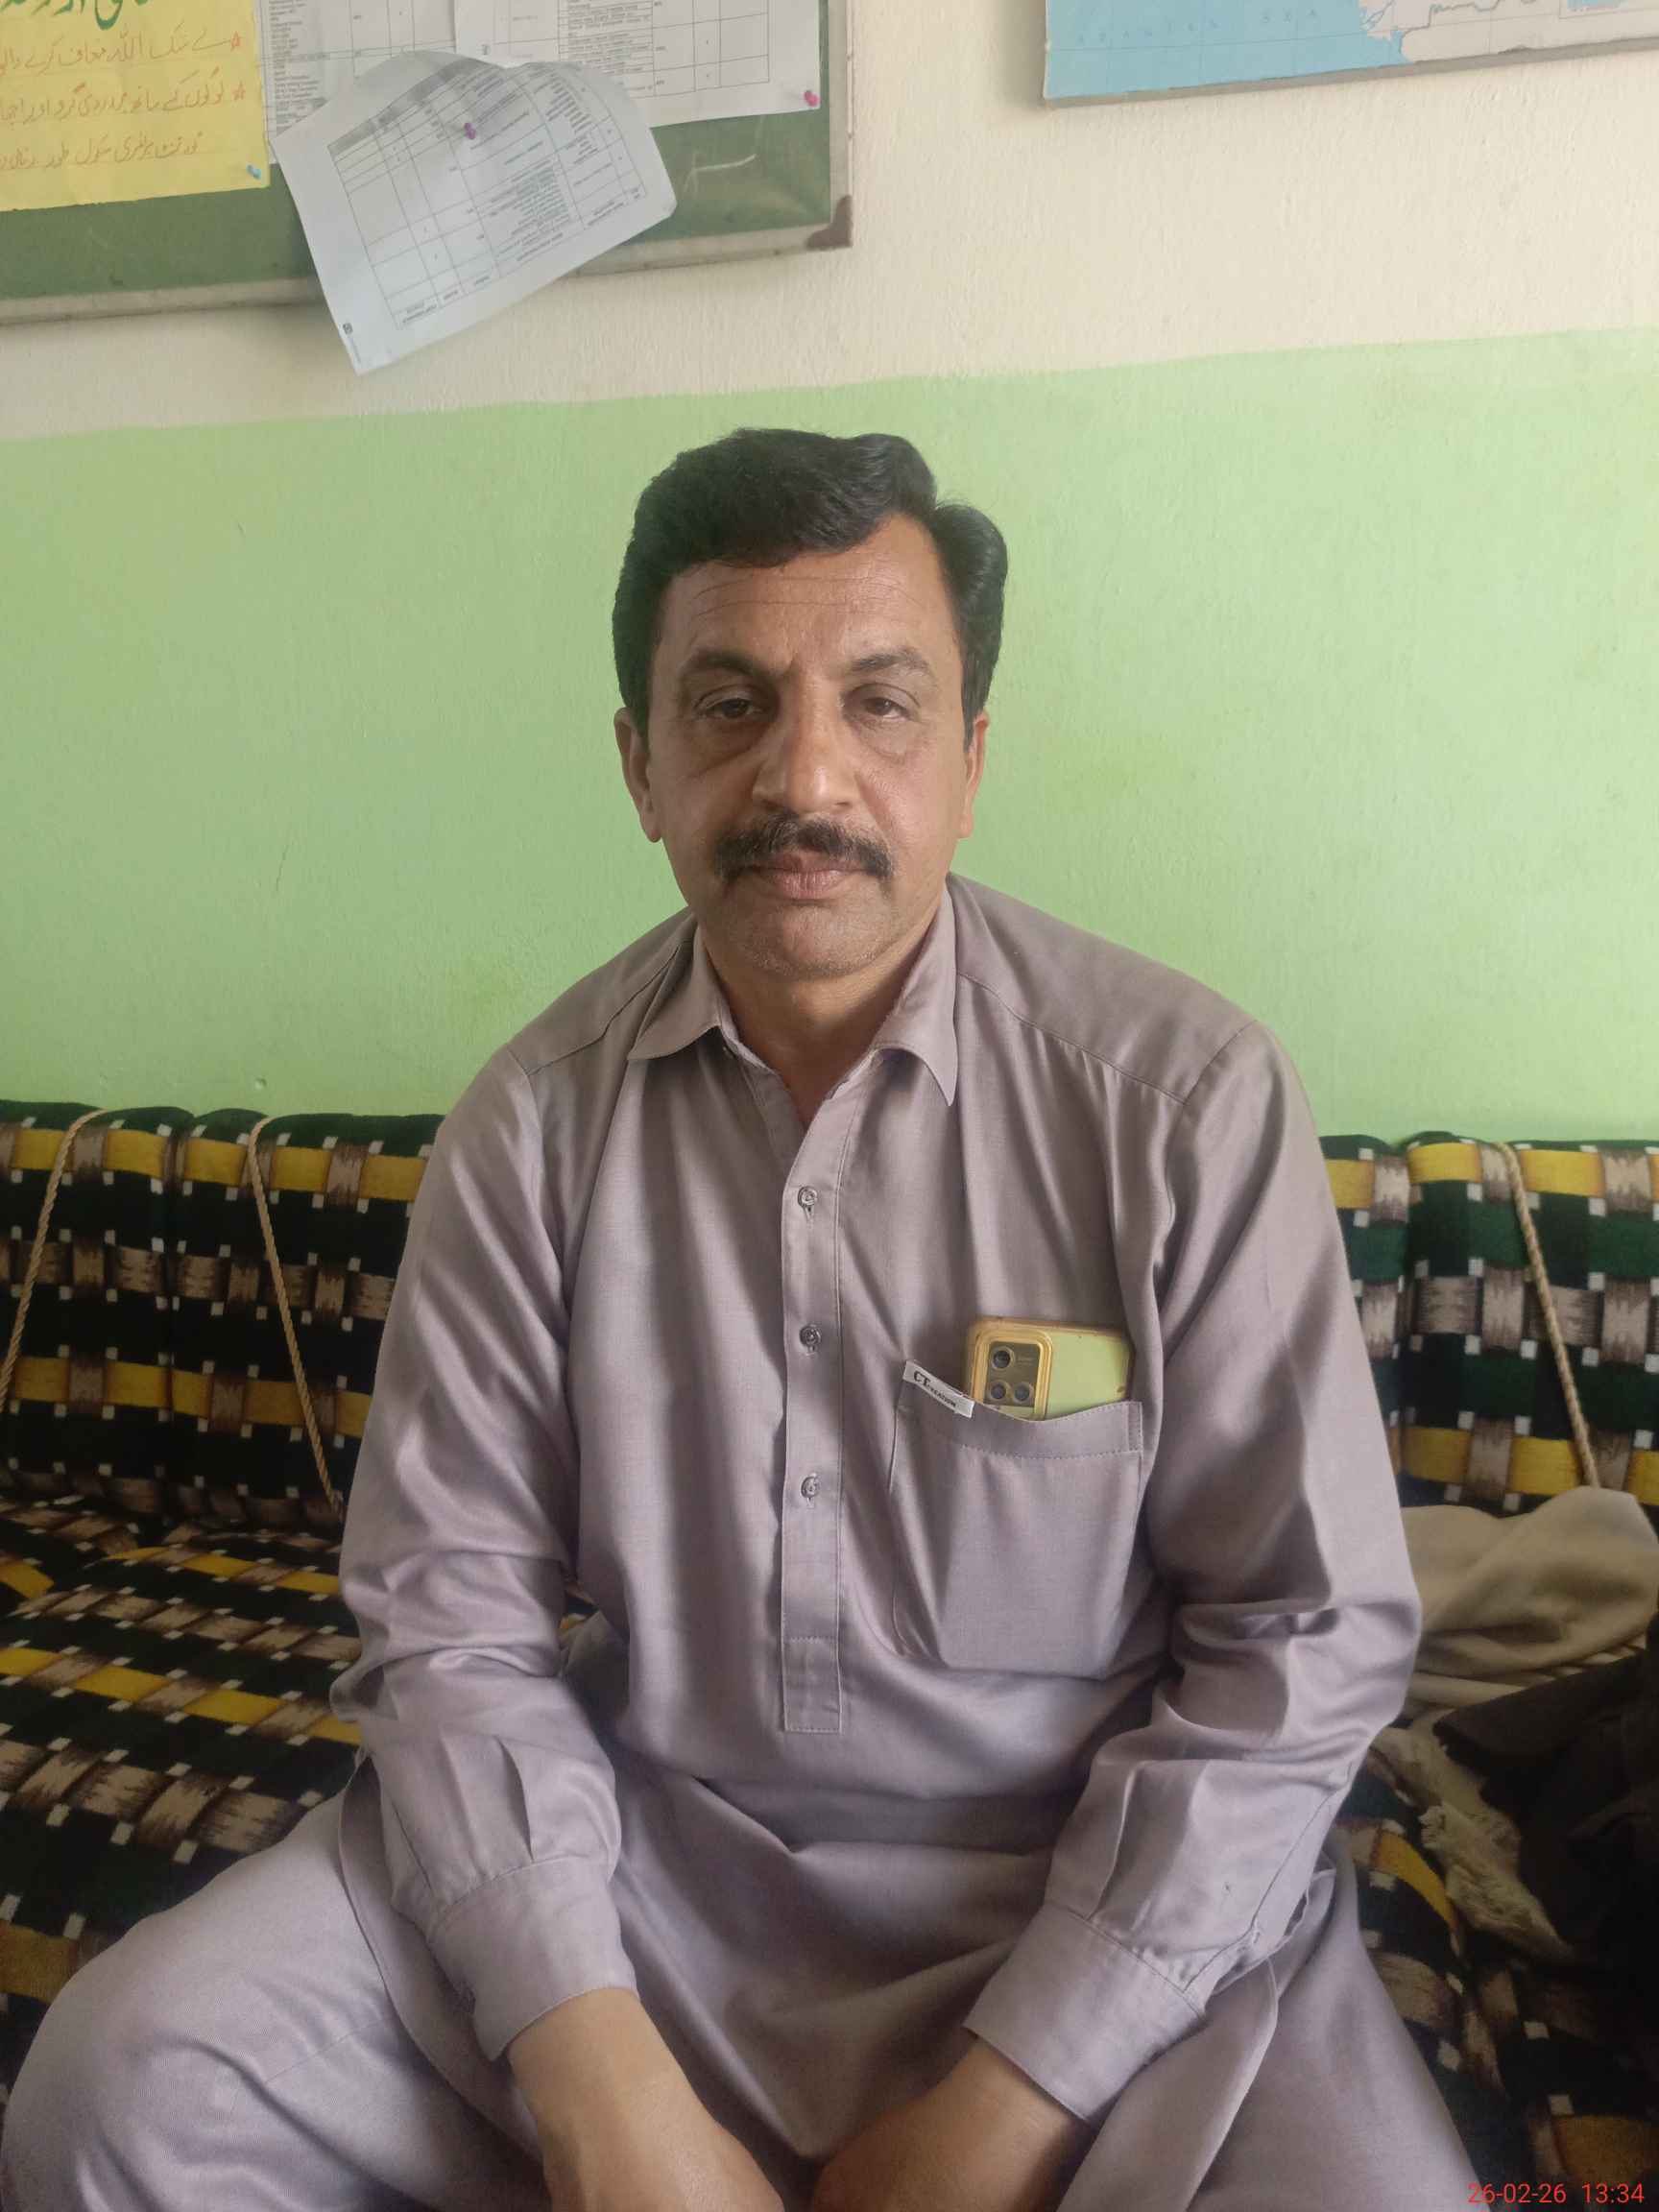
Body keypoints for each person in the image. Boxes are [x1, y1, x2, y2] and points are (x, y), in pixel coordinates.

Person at [1, 429, 1479, 2211]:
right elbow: (449, 1620)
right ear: (641, 765)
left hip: (1092, 1911)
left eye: (880, 704)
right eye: (729, 706)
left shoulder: (1183, 1108)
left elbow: (1302, 1638)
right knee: (121, 2096)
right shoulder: (531, 1129)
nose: (806, 778)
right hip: (641, 1897)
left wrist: (1011, 2104)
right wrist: (597, 2082)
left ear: (971, 761)